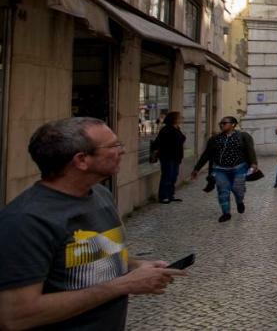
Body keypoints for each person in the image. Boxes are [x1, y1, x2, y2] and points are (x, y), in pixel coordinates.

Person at [0, 118, 185, 330]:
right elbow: (15, 316)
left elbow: (87, 258)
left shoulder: (100, 194)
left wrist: (135, 266)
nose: (122, 151)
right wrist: (125, 284)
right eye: (114, 146)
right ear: (81, 160)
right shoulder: (26, 220)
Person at [191, 116, 258, 223]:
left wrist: (254, 164)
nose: (221, 125)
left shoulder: (243, 136)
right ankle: (226, 213)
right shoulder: (215, 139)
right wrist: (196, 169)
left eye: (224, 123)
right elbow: (206, 155)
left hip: (239, 168)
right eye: (220, 123)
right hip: (220, 169)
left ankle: (239, 201)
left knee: (238, 189)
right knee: (223, 191)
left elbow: (250, 150)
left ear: (233, 124)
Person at [150, 111, 185, 204]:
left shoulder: (177, 128)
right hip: (167, 157)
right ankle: (163, 196)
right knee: (167, 176)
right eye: (179, 117)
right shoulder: (166, 129)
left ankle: (170, 195)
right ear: (174, 119)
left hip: (176, 157)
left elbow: (181, 139)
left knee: (173, 176)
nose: (181, 118)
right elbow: (163, 143)